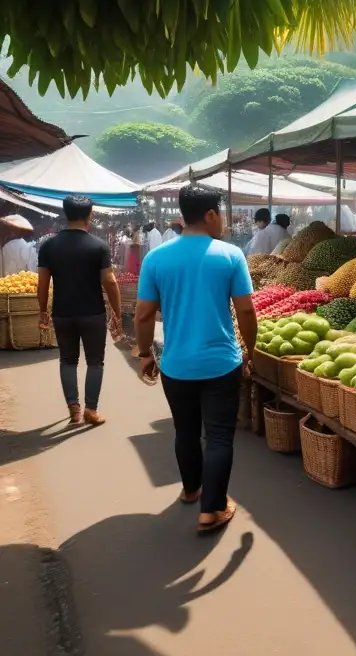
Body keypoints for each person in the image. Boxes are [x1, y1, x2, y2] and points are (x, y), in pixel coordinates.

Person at [135, 184, 258, 534]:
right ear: (209, 215)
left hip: (176, 365)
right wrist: (250, 348)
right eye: (220, 214)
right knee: (218, 436)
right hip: (222, 364)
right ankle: (213, 510)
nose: (223, 222)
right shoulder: (230, 256)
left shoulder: (155, 259)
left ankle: (192, 490)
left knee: (185, 431)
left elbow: (143, 315)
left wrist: (145, 355)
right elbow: (246, 310)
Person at [37, 195, 122, 426]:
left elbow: (43, 283)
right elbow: (110, 281)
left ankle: (74, 410)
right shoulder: (98, 246)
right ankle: (91, 410)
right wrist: (117, 312)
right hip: (93, 313)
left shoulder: (48, 246)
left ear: (66, 213)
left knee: (67, 361)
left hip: (62, 313)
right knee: (95, 361)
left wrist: (43, 311)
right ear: (90, 214)